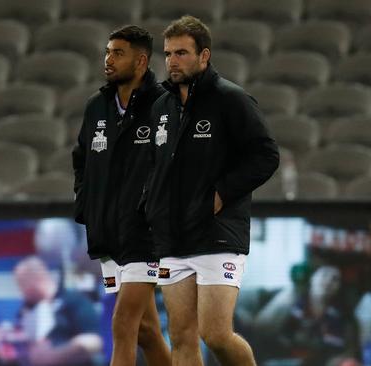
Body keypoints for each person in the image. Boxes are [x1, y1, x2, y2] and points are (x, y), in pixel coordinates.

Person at [142, 15, 280, 366]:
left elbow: (266, 156)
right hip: (172, 238)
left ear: (204, 56)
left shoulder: (230, 99)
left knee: (215, 335)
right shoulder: (161, 106)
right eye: (169, 53)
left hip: (217, 234)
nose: (173, 61)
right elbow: (154, 168)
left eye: (182, 53)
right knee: (182, 337)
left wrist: (220, 196)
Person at [72, 25, 170, 365]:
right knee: (146, 331)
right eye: (107, 52)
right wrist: (87, 204)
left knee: (122, 321)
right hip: (108, 232)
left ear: (141, 61)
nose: (108, 60)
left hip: (146, 233)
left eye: (118, 53)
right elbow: (81, 160)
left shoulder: (164, 104)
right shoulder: (96, 107)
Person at [254, 265, 357, 366]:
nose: (329, 281)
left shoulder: (338, 315)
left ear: (338, 288)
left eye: (335, 279)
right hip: (287, 355)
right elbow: (284, 334)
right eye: (324, 275)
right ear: (313, 279)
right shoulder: (296, 304)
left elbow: (331, 349)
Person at [10, 256, 103, 366]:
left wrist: (54, 356)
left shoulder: (73, 301)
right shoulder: (27, 311)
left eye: (22, 285)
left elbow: (95, 341)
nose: (22, 293)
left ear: (35, 279)